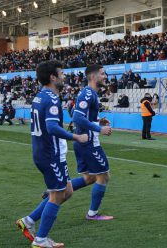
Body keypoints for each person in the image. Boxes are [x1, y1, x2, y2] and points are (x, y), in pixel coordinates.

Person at [16, 61, 88, 248]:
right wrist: (76, 137)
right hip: (50, 154)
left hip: (48, 152)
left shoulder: (41, 96)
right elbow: (52, 127)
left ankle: (29, 221)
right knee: (57, 195)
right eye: (61, 73)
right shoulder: (52, 99)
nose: (64, 76)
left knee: (67, 191)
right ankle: (40, 240)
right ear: (52, 77)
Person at [71, 64, 114, 220]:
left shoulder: (90, 94)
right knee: (104, 176)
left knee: (89, 178)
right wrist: (99, 129)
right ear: (93, 76)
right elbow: (76, 117)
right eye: (102, 74)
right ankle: (93, 214)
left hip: (83, 141)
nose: (105, 76)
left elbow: (81, 116)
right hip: (88, 143)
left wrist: (98, 121)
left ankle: (56, 190)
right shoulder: (88, 94)